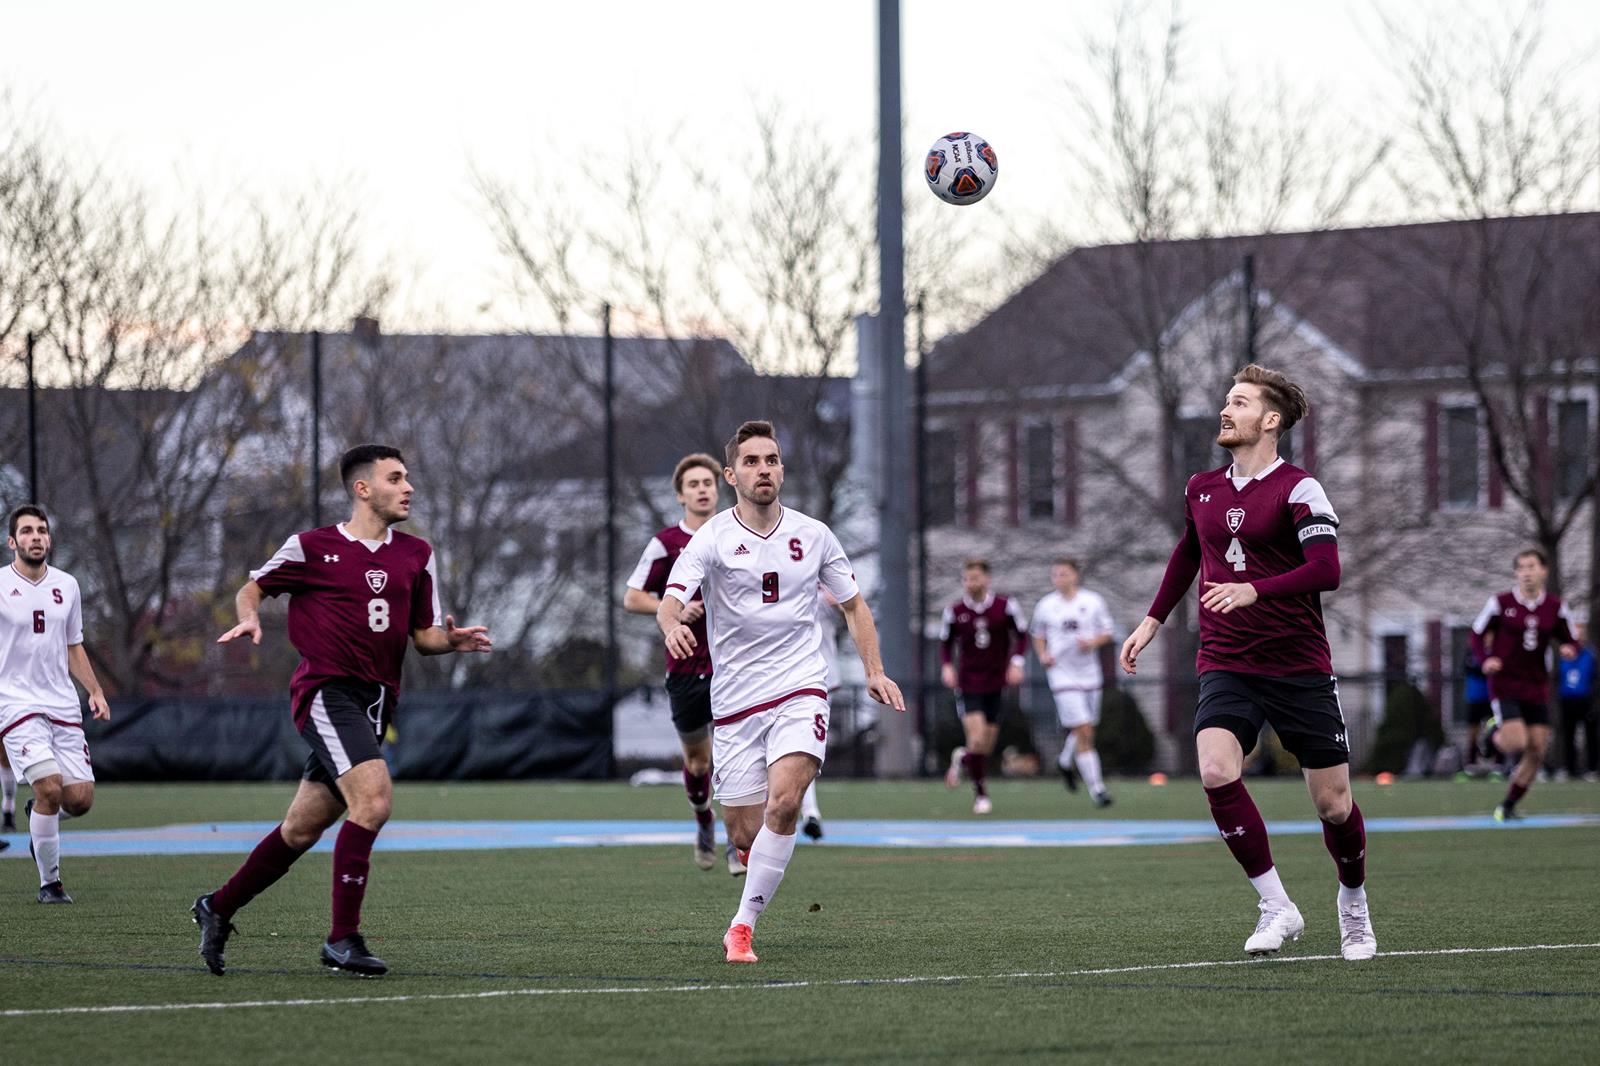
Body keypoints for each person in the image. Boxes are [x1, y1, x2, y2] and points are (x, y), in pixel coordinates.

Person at [193, 445, 492, 977]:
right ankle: (342, 939)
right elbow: (253, 586)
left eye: (408, 477)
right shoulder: (313, 547)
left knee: (300, 831)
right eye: (396, 478)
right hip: (327, 692)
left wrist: (452, 642)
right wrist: (250, 618)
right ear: (362, 489)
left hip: (378, 703)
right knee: (374, 801)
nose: (409, 487)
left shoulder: (416, 554)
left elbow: (423, 637)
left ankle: (216, 907)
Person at [1120, 364, 1376, 962]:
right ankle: (1277, 905)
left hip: (1297, 663)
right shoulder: (1201, 487)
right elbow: (1190, 553)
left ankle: (1354, 903)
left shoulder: (1299, 488)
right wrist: (1152, 620)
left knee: (1333, 804)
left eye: (1237, 402)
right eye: (1224, 402)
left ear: (1270, 420)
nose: (1224, 411)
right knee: (1213, 769)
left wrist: (1255, 589)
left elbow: (1326, 570)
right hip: (1227, 659)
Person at [657, 420, 904, 964]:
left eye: (771, 460)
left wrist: (874, 669)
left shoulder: (814, 535)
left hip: (800, 686)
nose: (763, 469)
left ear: (782, 470)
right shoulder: (712, 537)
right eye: (751, 461)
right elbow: (670, 598)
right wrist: (672, 623)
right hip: (736, 700)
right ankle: (747, 860)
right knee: (746, 833)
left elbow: (855, 606)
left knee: (786, 802)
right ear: (731, 474)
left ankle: (741, 927)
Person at [624, 453, 743, 874]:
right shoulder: (667, 543)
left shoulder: (737, 534)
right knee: (699, 762)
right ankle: (704, 820)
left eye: (708, 482)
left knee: (737, 759)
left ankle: (737, 840)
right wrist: (672, 610)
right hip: (687, 669)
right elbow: (632, 596)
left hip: (737, 667)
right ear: (680, 495)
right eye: (693, 484)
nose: (702, 489)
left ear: (719, 486)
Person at [0, 505, 112, 898]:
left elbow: (73, 646)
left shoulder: (68, 585)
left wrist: (94, 690)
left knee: (79, 800)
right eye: (27, 531)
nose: (36, 537)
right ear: (12, 542)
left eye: (42, 531)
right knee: (48, 786)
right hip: (15, 705)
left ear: (49, 539)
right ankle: (51, 884)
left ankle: (38, 818)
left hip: (62, 705)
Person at [1470, 549, 1578, 821]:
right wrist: (1487, 658)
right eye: (1521, 568)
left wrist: (1569, 648)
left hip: (1536, 685)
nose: (1526, 573)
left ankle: (1507, 805)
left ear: (1544, 571)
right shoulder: (1501, 603)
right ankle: (1492, 734)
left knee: (1538, 750)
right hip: (1505, 683)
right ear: (1516, 574)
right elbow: (1475, 634)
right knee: (1516, 741)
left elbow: (1572, 638)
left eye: (1531, 567)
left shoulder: (1555, 607)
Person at [939, 559, 1027, 814]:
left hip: (997, 682)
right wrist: (947, 666)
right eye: (966, 579)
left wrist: (1017, 663)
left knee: (985, 747)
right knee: (976, 738)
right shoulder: (954, 611)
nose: (970, 583)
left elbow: (1021, 636)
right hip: (968, 684)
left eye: (975, 578)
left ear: (987, 579)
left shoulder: (1005, 606)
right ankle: (981, 795)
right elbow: (945, 644)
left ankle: (962, 758)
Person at [1030, 558, 1115, 807]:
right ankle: (1098, 789)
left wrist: (1092, 643)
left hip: (1089, 674)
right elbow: (1038, 635)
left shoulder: (1093, 601)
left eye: (1064, 574)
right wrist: (1043, 654)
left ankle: (1065, 761)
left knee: (1086, 728)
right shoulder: (1046, 605)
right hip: (1062, 675)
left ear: (1075, 575)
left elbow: (1108, 632)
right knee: (1084, 731)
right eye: (1056, 574)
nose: (1060, 579)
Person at [1558, 626, 1598, 781]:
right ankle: (1569, 768)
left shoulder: (1591, 655)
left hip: (1586, 700)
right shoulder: (1561, 655)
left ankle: (1592, 768)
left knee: (1591, 735)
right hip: (1567, 700)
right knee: (1568, 735)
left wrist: (1594, 701)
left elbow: (1595, 678)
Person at [1461, 646, 1492, 772]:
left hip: (1492, 697)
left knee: (1496, 729)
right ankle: (1471, 763)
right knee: (1473, 732)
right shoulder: (1471, 651)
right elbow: (1467, 668)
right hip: (1474, 698)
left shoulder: (1497, 649)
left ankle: (1498, 763)